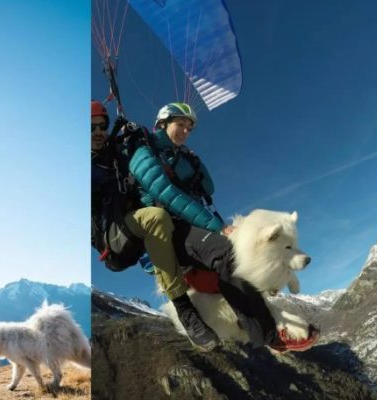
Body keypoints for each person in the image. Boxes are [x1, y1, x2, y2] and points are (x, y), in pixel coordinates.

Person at [127, 102, 318, 349]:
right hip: (168, 232)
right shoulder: (143, 154)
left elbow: (209, 188)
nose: (185, 132)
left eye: (189, 128)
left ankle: (277, 319)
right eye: (180, 125)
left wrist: (193, 163)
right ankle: (271, 335)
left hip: (191, 228)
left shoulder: (181, 157)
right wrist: (216, 226)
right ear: (162, 124)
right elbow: (167, 195)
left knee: (242, 253)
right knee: (230, 255)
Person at [92, 100, 223, 350]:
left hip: (133, 222)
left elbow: (209, 188)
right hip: (112, 237)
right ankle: (184, 310)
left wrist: (191, 160)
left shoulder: (116, 150)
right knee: (156, 217)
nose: (98, 132)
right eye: (90, 127)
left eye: (102, 126)